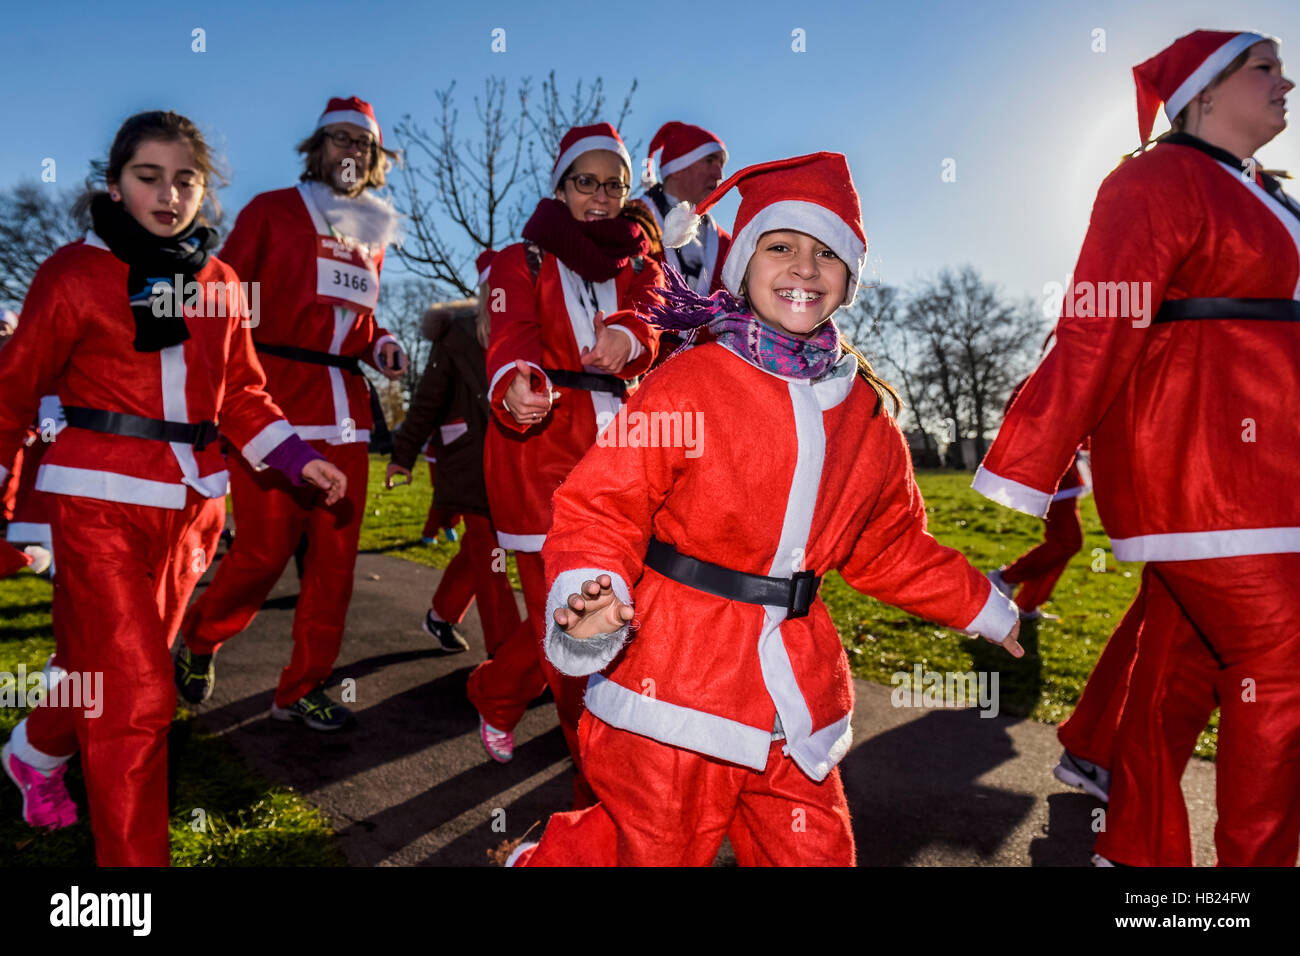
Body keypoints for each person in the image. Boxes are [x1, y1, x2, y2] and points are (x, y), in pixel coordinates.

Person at [508, 152, 1024, 866]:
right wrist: (590, 587)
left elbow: (890, 544)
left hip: (793, 695)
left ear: (849, 279)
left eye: (826, 254)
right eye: (781, 246)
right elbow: (603, 505)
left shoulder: (867, 412)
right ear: (744, 263)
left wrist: (985, 608)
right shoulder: (690, 381)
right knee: (642, 851)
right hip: (672, 686)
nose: (804, 268)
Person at [974, 30, 1300, 866]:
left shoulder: (1265, 192)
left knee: (1178, 672)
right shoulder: (1155, 177)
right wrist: (1030, 456)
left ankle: (1141, 853)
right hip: (1208, 478)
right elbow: (1098, 317)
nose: (1286, 79)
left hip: (1268, 476)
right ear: (1201, 92)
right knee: (1284, 671)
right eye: (1264, 67)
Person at [0, 110, 346, 865]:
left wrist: (295, 457)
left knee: (108, 670)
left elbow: (244, 396)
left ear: (205, 189)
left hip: (191, 514)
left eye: (185, 179)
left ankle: (35, 751)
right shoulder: (72, 272)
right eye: (147, 177)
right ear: (115, 185)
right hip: (95, 504)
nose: (168, 194)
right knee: (140, 698)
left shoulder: (221, 284)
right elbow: (11, 392)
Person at [177, 97, 407, 730]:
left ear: (376, 159)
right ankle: (200, 638)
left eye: (362, 145)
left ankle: (302, 686)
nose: (351, 153)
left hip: (347, 414)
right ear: (317, 148)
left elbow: (353, 322)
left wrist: (381, 342)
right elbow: (220, 295)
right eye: (339, 140)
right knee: (262, 554)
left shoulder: (372, 229)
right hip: (274, 402)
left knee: (335, 567)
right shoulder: (273, 211)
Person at [467, 123, 663, 795]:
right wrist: (517, 384)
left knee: (597, 613)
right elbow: (512, 340)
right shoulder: (518, 259)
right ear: (561, 186)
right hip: (541, 454)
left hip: (628, 456)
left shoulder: (642, 266)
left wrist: (630, 336)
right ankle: (606, 796)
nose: (602, 197)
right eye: (588, 182)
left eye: (615, 184)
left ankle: (495, 690)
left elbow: (657, 323)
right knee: (582, 629)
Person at [386, 251, 520, 657]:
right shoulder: (458, 334)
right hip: (468, 462)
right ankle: (507, 658)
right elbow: (427, 399)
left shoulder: (527, 329)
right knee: (491, 555)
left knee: (483, 551)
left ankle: (441, 614)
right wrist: (402, 456)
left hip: (514, 463)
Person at [987, 377, 1090, 620]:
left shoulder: (1074, 373)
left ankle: (1027, 603)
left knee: (1063, 543)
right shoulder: (1048, 377)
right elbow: (1019, 415)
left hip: (1064, 470)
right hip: (1050, 469)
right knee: (1066, 542)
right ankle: (1004, 579)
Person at [637, 122, 731, 295]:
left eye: (721, 165)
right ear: (676, 169)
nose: (719, 175)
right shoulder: (632, 222)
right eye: (709, 161)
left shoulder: (727, 245)